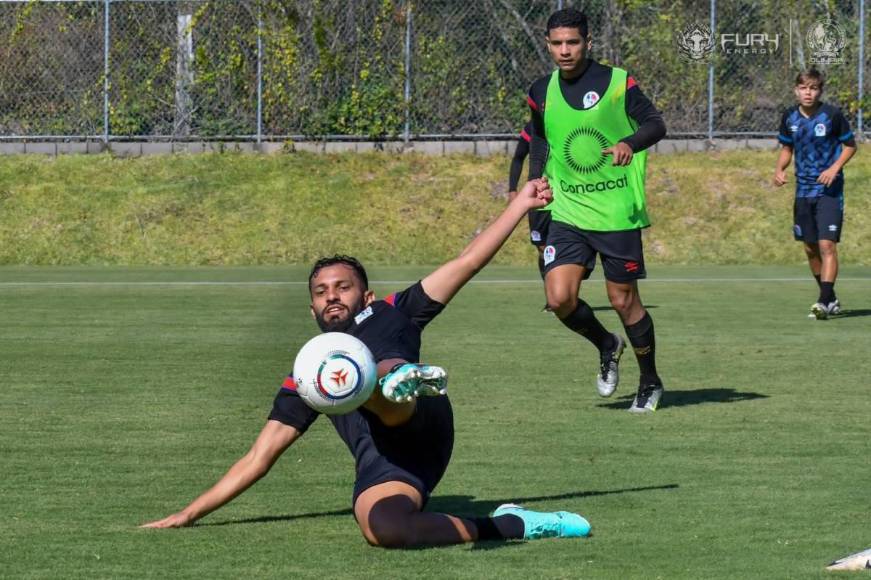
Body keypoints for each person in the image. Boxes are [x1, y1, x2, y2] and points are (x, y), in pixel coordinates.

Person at [141, 179, 592, 547]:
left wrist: (519, 204)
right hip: (388, 459)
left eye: (343, 287)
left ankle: (396, 379)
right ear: (312, 310)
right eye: (321, 292)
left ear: (366, 296)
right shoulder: (308, 373)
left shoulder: (393, 309)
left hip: (422, 415)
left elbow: (467, 261)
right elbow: (259, 457)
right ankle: (513, 524)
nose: (332, 296)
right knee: (385, 531)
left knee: (372, 369)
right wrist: (189, 512)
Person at [525, 8, 667, 412]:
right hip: (568, 211)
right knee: (559, 299)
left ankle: (650, 380)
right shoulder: (541, 90)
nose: (565, 51)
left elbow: (656, 124)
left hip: (615, 211)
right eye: (557, 43)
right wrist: (535, 188)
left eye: (572, 42)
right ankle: (607, 344)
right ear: (548, 45)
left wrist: (630, 143)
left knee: (623, 301)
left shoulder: (617, 82)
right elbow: (539, 140)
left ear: (588, 43)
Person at [773, 68, 857, 320]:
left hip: (829, 191)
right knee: (810, 248)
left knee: (826, 244)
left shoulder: (831, 115)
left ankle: (822, 301)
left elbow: (850, 146)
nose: (808, 93)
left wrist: (834, 168)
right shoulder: (789, 117)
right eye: (803, 88)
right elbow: (787, 148)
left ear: (820, 91)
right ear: (796, 90)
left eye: (813, 88)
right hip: (803, 191)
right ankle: (830, 298)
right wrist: (779, 169)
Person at [508, 122, 552, 282]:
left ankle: (563, 295)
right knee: (542, 247)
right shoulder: (531, 128)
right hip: (537, 196)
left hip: (562, 195)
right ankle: (550, 294)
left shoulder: (564, 121)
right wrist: (512, 189)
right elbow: (518, 158)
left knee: (561, 246)